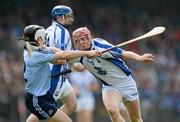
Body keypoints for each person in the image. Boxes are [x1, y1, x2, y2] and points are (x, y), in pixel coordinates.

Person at [71, 27, 154, 122]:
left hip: (126, 83)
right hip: (109, 87)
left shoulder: (101, 46)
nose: (81, 43)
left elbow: (124, 53)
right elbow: (65, 57)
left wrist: (139, 58)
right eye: (77, 41)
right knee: (112, 111)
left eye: (83, 39)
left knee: (135, 119)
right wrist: (75, 66)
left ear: (89, 37)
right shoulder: (78, 54)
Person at [21, 25, 101, 122]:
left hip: (44, 96)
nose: (44, 38)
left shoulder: (34, 48)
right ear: (36, 38)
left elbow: (51, 50)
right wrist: (88, 53)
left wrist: (65, 60)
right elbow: (64, 55)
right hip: (37, 100)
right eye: (41, 36)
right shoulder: (35, 55)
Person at [26, 5, 78, 122]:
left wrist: (73, 64)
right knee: (38, 113)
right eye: (69, 16)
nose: (72, 19)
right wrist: (77, 61)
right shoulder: (63, 32)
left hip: (59, 76)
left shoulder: (47, 30)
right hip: (53, 77)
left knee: (72, 104)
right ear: (59, 18)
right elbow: (62, 57)